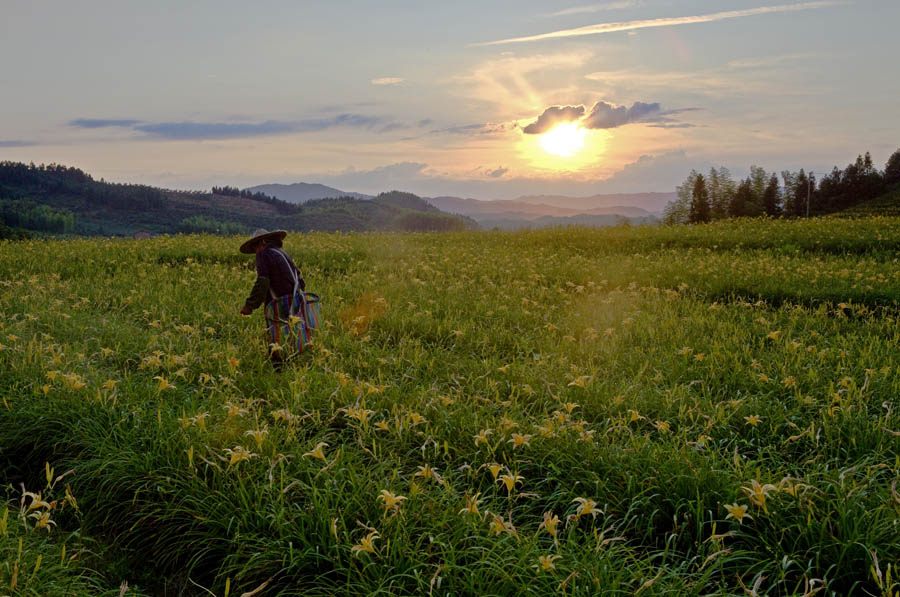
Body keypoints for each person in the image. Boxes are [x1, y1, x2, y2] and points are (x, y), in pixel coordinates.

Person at [239, 228, 306, 367]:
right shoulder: (282, 253)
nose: (256, 251)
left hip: (279, 301)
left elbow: (263, 281)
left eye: (255, 247)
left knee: (276, 334)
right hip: (295, 298)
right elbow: (300, 280)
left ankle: (278, 368)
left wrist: (250, 305)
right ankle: (293, 363)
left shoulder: (263, 254)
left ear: (262, 242)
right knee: (291, 333)